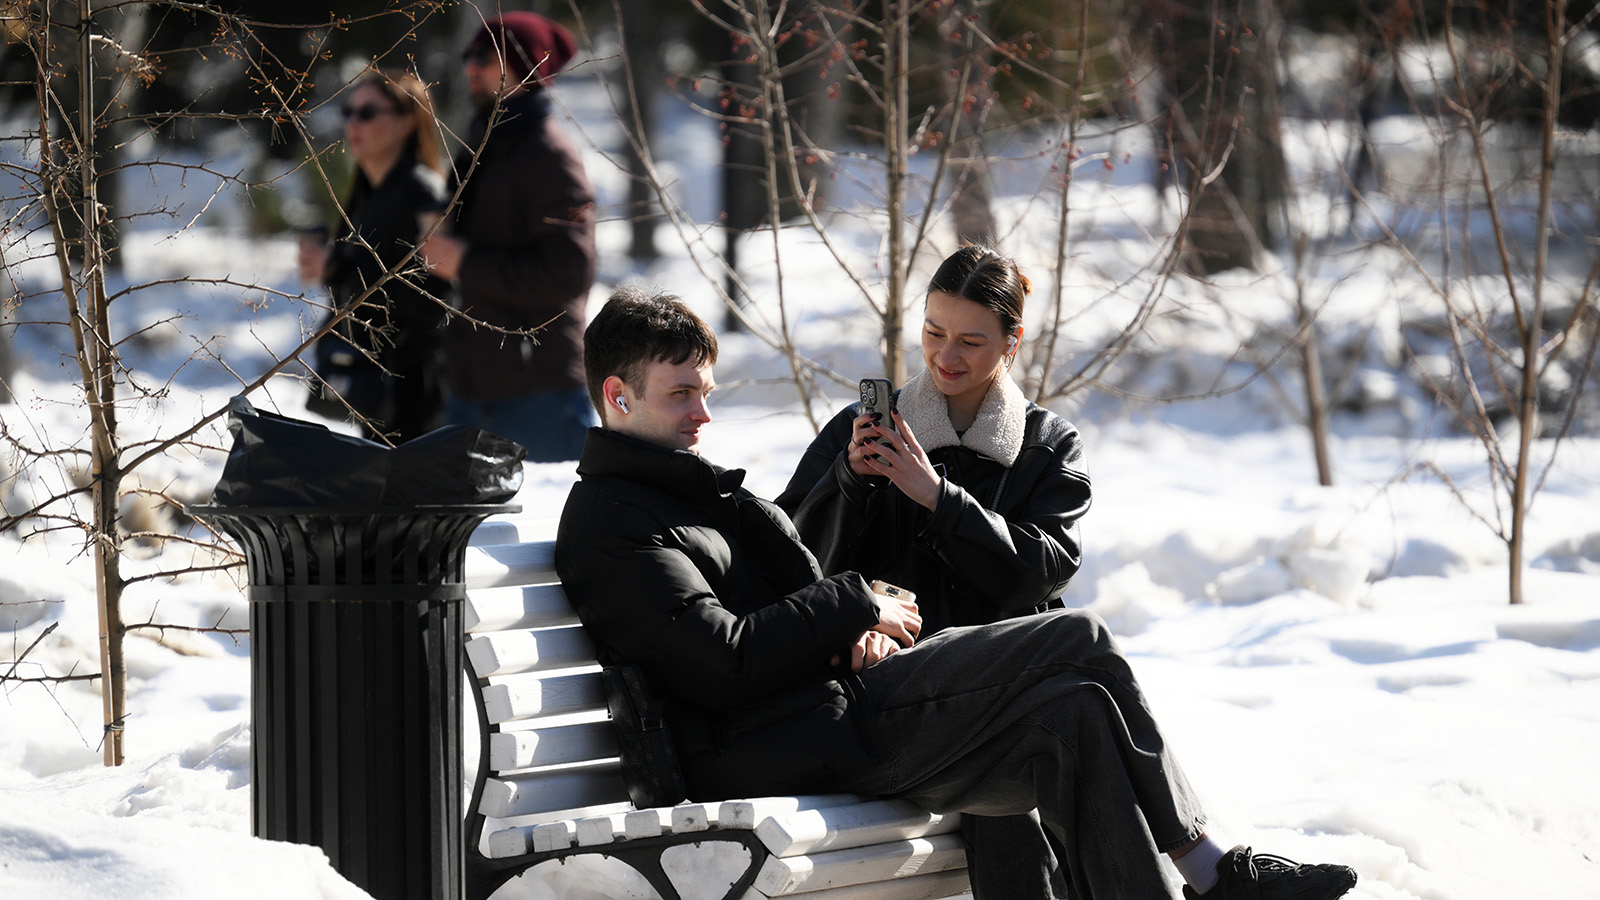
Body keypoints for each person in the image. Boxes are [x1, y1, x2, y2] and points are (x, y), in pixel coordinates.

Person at [555, 287, 1359, 900]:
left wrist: (846, 630)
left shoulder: (683, 492)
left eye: (706, 391)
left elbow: (764, 613)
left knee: (1074, 713)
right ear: (618, 398)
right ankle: (1214, 871)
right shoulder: (611, 520)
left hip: (824, 703)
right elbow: (721, 661)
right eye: (680, 395)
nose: (703, 413)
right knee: (1081, 640)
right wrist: (856, 604)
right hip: (775, 742)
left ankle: (1206, 873)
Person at [774, 245, 1088, 898]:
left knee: (1056, 734)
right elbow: (784, 560)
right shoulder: (858, 431)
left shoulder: (1047, 446)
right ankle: (1209, 867)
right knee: (1023, 744)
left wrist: (937, 499)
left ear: (1012, 342)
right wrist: (850, 483)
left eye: (972, 340)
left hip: (999, 683)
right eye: (934, 332)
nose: (946, 356)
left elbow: (1042, 570)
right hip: (891, 691)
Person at [420, 11, 598, 460]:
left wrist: (465, 262)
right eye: (468, 55)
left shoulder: (549, 155)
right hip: (472, 388)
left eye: (485, 55)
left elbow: (569, 272)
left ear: (527, 66)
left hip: (539, 394)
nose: (470, 67)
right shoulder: (486, 144)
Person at [299, 69, 451, 443]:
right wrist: (329, 268)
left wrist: (337, 267)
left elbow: (430, 299)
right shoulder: (369, 191)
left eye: (368, 113)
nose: (353, 122)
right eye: (348, 111)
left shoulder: (421, 192)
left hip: (417, 388)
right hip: (380, 382)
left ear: (406, 122)